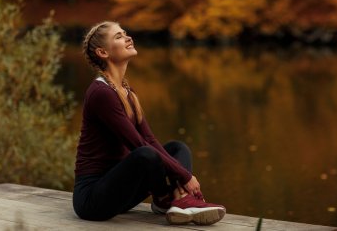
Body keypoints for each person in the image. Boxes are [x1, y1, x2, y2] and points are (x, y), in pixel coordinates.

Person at [72, 21, 226, 225]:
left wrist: (184, 174)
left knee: (177, 148)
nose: (127, 37)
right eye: (118, 36)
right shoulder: (101, 93)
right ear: (103, 52)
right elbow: (138, 144)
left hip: (121, 190)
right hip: (92, 199)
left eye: (125, 33)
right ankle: (175, 199)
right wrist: (186, 177)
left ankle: (168, 200)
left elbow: (150, 139)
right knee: (145, 154)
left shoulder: (128, 92)